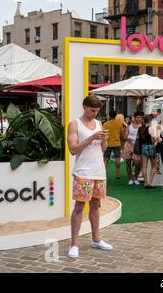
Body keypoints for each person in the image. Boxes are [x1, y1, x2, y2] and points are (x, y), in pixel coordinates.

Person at [67, 96, 113, 259]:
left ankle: (96, 239)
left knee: (95, 205)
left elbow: (103, 149)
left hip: (98, 171)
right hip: (83, 172)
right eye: (92, 110)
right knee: (79, 207)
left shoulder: (99, 124)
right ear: (84, 107)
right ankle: (74, 244)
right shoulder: (74, 124)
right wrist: (91, 137)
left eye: (97, 111)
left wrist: (104, 140)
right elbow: (73, 149)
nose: (94, 114)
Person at [136, 115, 160, 189]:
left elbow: (138, 140)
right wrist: (157, 135)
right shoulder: (151, 128)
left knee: (144, 166)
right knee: (154, 166)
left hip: (143, 147)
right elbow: (153, 141)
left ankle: (145, 182)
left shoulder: (140, 128)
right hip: (151, 147)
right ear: (150, 121)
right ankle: (151, 182)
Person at [122, 112, 143, 186]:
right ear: (134, 117)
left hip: (137, 146)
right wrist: (130, 138)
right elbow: (124, 137)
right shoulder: (129, 126)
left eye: (140, 117)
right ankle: (130, 179)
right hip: (128, 145)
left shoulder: (142, 127)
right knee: (128, 162)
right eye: (137, 117)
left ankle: (136, 178)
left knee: (138, 163)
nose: (139, 119)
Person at [103, 110, 123, 181]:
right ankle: (118, 176)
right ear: (116, 115)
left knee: (105, 160)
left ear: (109, 115)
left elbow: (103, 134)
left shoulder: (105, 124)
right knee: (118, 161)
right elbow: (122, 134)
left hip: (108, 143)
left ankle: (103, 175)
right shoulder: (119, 123)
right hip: (117, 143)